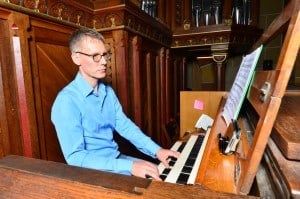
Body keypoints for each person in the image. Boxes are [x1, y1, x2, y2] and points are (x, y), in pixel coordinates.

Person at [51, 28, 180, 181]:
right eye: (95, 56)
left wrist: (157, 151)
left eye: (104, 55)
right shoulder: (66, 101)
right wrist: (130, 166)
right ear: (76, 58)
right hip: (92, 173)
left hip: (116, 160)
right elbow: (75, 157)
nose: (104, 62)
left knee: (166, 177)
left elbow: (125, 126)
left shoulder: (107, 91)